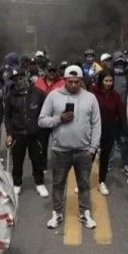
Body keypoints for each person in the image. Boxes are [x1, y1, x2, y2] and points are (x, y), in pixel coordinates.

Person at [39, 65, 101, 230]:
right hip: (60, 150)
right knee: (58, 183)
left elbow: (96, 124)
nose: (73, 85)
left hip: (84, 151)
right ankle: (57, 213)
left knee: (84, 184)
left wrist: (93, 148)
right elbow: (42, 120)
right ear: (64, 80)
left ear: (81, 80)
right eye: (70, 81)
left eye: (76, 82)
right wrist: (59, 119)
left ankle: (84, 213)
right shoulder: (53, 96)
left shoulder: (90, 98)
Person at [5, 70, 48, 197]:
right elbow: (7, 116)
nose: (20, 80)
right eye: (16, 78)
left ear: (27, 77)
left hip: (35, 134)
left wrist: (43, 129)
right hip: (18, 134)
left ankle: (39, 183)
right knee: (17, 160)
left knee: (37, 160)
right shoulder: (10, 96)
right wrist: (9, 133)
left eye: (22, 77)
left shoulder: (39, 94)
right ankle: (17, 184)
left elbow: (46, 111)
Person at [91, 70, 125, 196]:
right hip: (93, 128)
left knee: (105, 157)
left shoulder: (115, 95)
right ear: (101, 81)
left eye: (111, 81)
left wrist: (124, 128)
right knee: (90, 156)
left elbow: (120, 112)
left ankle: (102, 181)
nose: (108, 83)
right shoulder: (93, 92)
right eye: (106, 81)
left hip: (109, 129)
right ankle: (82, 182)